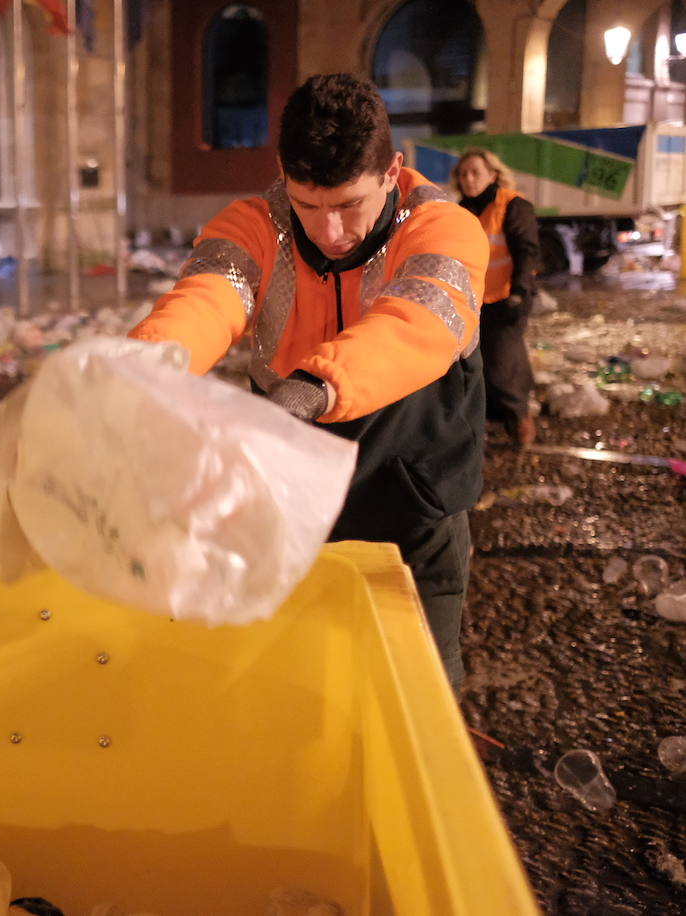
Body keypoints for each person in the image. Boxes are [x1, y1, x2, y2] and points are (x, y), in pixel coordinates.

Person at [128, 73, 488, 687]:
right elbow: (203, 302)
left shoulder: (442, 227)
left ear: (392, 171)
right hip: (295, 509)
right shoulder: (251, 226)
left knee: (419, 687)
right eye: (308, 205)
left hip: (413, 503)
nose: (330, 232)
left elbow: (419, 318)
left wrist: (313, 388)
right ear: (282, 174)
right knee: (305, 683)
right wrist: (135, 374)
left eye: (349, 205)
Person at [453, 147, 541, 447]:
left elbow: (527, 251)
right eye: (463, 174)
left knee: (504, 365)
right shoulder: (462, 210)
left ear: (492, 175)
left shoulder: (513, 205)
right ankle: (493, 420)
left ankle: (521, 423)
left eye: (475, 172)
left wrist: (520, 292)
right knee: (480, 364)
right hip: (475, 302)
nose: (468, 179)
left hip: (507, 298)